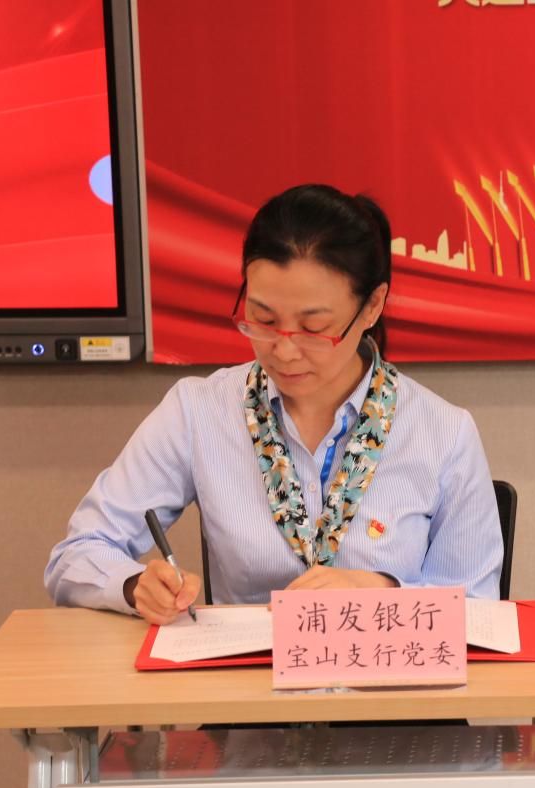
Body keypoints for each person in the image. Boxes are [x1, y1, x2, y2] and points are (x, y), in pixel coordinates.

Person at [47, 184, 503, 624]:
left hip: (388, 672)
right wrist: (134, 586)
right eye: (263, 319)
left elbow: (480, 608)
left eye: (313, 328)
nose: (283, 351)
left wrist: (380, 592)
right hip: (249, 675)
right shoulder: (199, 412)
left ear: (372, 306)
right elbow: (77, 552)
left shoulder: (443, 433)